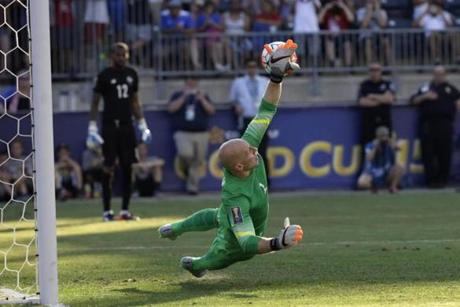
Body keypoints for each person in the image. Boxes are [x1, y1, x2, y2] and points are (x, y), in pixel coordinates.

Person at [159, 39, 303, 278]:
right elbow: (247, 243)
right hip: (239, 236)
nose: (254, 151)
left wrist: (276, 78)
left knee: (217, 215)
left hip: (237, 211)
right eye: (249, 152)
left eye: (251, 147)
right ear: (239, 166)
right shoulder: (236, 198)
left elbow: (266, 109)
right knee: (216, 257)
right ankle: (195, 264)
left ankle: (177, 227)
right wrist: (278, 242)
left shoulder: (248, 145)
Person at [87, 42, 152, 221]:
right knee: (108, 167)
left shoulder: (132, 74)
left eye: (124, 55)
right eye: (117, 54)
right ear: (111, 56)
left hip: (126, 126)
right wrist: (92, 126)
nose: (121, 58)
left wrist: (142, 124)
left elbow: (135, 102)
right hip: (109, 126)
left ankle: (124, 210)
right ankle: (107, 211)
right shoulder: (104, 75)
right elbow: (95, 102)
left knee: (128, 167)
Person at [410, 66, 460, 188]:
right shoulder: (426, 88)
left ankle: (443, 180)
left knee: (445, 154)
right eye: (437, 74)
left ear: (445, 75)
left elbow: (458, 103)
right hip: (428, 125)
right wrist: (424, 97)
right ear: (433, 75)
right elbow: (413, 101)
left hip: (445, 124)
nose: (439, 76)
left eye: (441, 74)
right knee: (428, 153)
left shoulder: (451, 89)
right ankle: (431, 181)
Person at [167, 78, 215, 195]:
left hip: (201, 133)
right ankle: (192, 182)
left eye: (194, 83)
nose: (192, 85)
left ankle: (192, 187)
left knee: (198, 160)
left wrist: (202, 99)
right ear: (185, 84)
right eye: (189, 83)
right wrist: (184, 97)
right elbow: (171, 108)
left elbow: (211, 110)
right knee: (185, 154)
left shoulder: (203, 95)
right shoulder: (178, 95)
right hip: (183, 132)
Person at [230, 59, 270, 186]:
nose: (252, 69)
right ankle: (247, 181)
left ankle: (264, 181)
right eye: (249, 66)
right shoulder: (238, 83)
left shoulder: (264, 81)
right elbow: (233, 99)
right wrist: (236, 106)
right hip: (246, 118)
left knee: (262, 151)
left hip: (260, 119)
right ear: (246, 68)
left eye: (254, 66)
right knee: (246, 152)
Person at [357, 63, 396, 147]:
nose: (374, 73)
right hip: (369, 122)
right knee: (368, 148)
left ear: (381, 71)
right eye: (372, 70)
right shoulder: (364, 85)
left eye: (377, 70)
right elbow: (362, 102)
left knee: (385, 147)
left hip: (384, 122)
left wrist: (373, 96)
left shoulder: (388, 84)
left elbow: (389, 99)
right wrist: (381, 99)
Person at [357, 126, 404, 193]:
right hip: (372, 172)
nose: (384, 138)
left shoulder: (389, 145)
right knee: (362, 183)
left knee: (400, 166)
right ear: (378, 136)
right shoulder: (370, 145)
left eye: (385, 136)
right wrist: (375, 147)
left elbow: (399, 148)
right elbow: (369, 158)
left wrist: (392, 143)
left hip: (385, 171)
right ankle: (374, 188)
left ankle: (392, 187)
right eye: (382, 136)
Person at [318, 0, 354, 67]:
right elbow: (319, 20)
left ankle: (349, 65)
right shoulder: (328, 12)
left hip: (343, 36)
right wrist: (325, 8)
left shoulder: (343, 11)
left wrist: (344, 7)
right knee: (329, 42)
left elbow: (351, 19)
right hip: (330, 36)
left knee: (347, 44)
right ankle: (332, 64)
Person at [356, 0, 391, 65]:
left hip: (379, 35)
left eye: (375, 2)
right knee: (368, 42)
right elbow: (364, 25)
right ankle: (370, 65)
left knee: (386, 42)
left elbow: (383, 24)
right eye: (370, 1)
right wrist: (369, 12)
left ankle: (386, 65)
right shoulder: (361, 11)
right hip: (366, 36)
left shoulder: (382, 11)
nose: (373, 3)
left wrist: (377, 12)